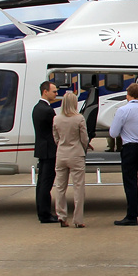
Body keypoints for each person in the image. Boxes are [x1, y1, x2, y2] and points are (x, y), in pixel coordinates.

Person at [108, 82, 138, 226]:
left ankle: (131, 215)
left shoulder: (123, 110)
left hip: (130, 148)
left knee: (130, 182)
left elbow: (113, 133)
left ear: (128, 94)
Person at [52, 91, 89, 228]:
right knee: (78, 187)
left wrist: (62, 145)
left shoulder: (56, 119)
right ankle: (78, 219)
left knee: (60, 187)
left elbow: (56, 138)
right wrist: (83, 147)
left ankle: (61, 215)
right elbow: (84, 138)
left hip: (61, 154)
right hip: (76, 154)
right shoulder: (79, 118)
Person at [33, 80, 60, 223]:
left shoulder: (37, 108)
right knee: (46, 183)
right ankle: (45, 214)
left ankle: (41, 210)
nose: (56, 94)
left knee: (41, 182)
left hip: (42, 149)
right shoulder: (47, 110)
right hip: (49, 150)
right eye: (54, 91)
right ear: (45, 92)